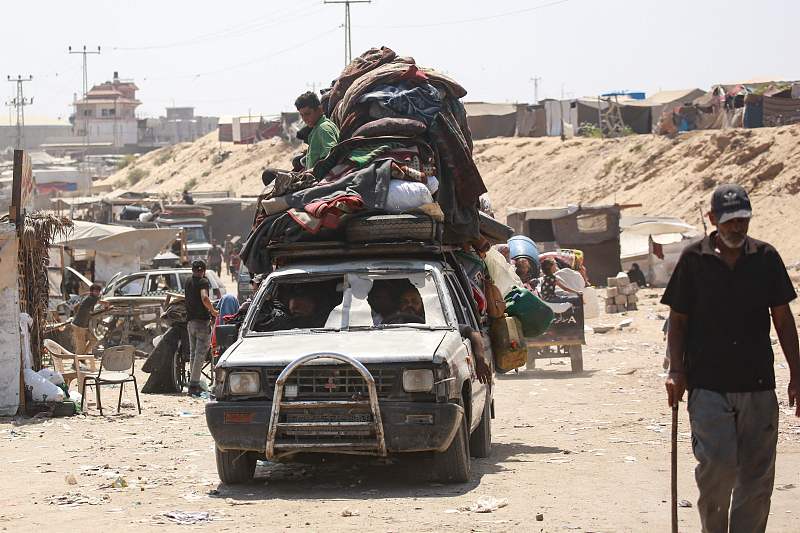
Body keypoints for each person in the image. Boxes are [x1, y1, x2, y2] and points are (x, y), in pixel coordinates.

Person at [662, 184, 799, 533]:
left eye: (743, 220)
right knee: (718, 467)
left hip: (757, 384)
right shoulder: (693, 260)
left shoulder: (766, 258)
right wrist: (676, 370)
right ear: (712, 220)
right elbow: (677, 321)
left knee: (756, 480)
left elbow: (783, 319)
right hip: (708, 384)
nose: (737, 228)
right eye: (729, 221)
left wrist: (797, 374)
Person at [184, 260, 219, 396]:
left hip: (190, 323)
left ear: (192, 270)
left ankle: (193, 383)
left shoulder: (188, 281)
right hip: (201, 324)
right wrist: (213, 311)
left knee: (193, 353)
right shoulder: (203, 282)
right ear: (204, 270)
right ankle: (194, 385)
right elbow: (204, 298)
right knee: (200, 355)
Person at [295, 91, 339, 170]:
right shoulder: (318, 127)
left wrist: (313, 171)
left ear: (320, 109)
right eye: (302, 115)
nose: (304, 119)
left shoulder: (323, 128)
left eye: (308, 114)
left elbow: (333, 154)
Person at [71, 283, 111, 354]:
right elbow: (104, 302)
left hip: (83, 326)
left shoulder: (88, 298)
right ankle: (76, 363)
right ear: (92, 291)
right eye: (96, 291)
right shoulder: (91, 298)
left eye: (98, 291)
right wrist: (107, 304)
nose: (97, 293)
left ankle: (82, 357)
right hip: (79, 326)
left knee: (94, 340)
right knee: (80, 347)